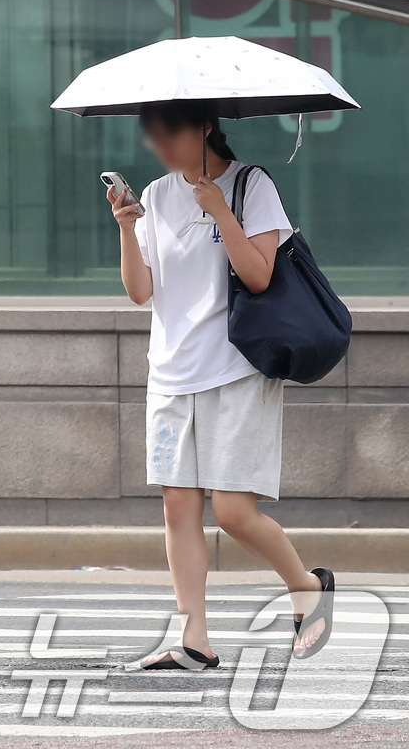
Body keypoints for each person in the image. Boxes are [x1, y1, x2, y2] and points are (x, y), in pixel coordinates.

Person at [111, 100, 334, 670]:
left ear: (206, 126)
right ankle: (194, 640)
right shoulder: (159, 195)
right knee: (177, 510)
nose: (160, 147)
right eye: (152, 136)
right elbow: (142, 292)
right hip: (169, 372)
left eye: (170, 134)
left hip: (235, 369)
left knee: (234, 512)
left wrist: (218, 210)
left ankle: (306, 586)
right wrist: (128, 226)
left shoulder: (251, 184)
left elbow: (259, 274)